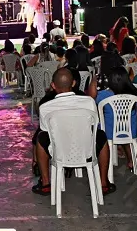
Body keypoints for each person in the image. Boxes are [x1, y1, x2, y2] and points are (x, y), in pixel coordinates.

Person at [31, 68, 113, 196]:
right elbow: (92, 126)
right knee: (101, 135)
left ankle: (46, 183)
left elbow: (45, 131)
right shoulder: (88, 102)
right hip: (86, 149)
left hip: (59, 150)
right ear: (74, 83)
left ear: (53, 85)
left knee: (41, 136)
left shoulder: (45, 107)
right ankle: (103, 183)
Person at [96, 66, 137, 170]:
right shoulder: (135, 93)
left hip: (110, 132)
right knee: (124, 124)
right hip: (132, 131)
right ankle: (131, 160)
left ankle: (103, 161)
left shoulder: (103, 95)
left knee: (97, 126)